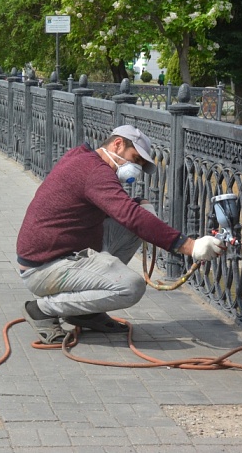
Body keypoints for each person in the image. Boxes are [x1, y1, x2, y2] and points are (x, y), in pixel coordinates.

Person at [16, 125, 225, 343]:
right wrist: (189, 246)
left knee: (137, 220)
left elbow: (124, 212)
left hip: (59, 254)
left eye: (140, 165)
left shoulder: (85, 158)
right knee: (130, 287)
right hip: (43, 269)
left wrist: (139, 206)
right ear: (118, 144)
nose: (135, 167)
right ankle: (41, 310)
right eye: (135, 158)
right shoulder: (94, 171)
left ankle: (86, 312)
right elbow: (129, 215)